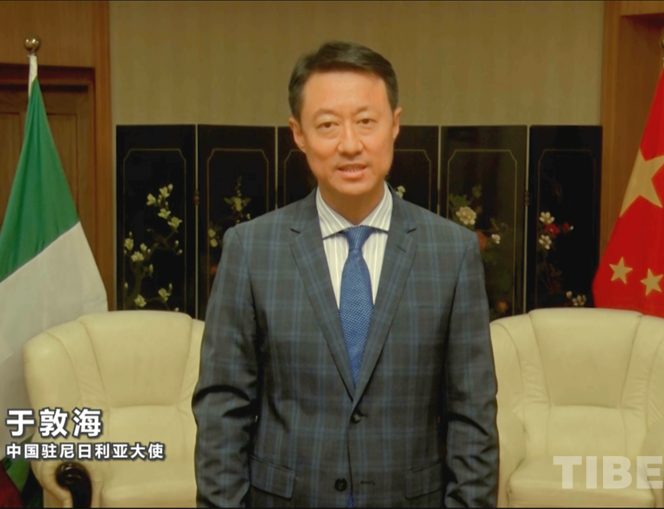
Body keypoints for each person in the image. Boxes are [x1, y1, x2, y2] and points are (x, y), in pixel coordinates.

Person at [193, 41, 497, 508]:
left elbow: (472, 418)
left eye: (366, 121)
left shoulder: (451, 253)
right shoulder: (251, 250)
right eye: (328, 125)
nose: (350, 144)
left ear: (395, 124)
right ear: (298, 134)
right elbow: (222, 409)